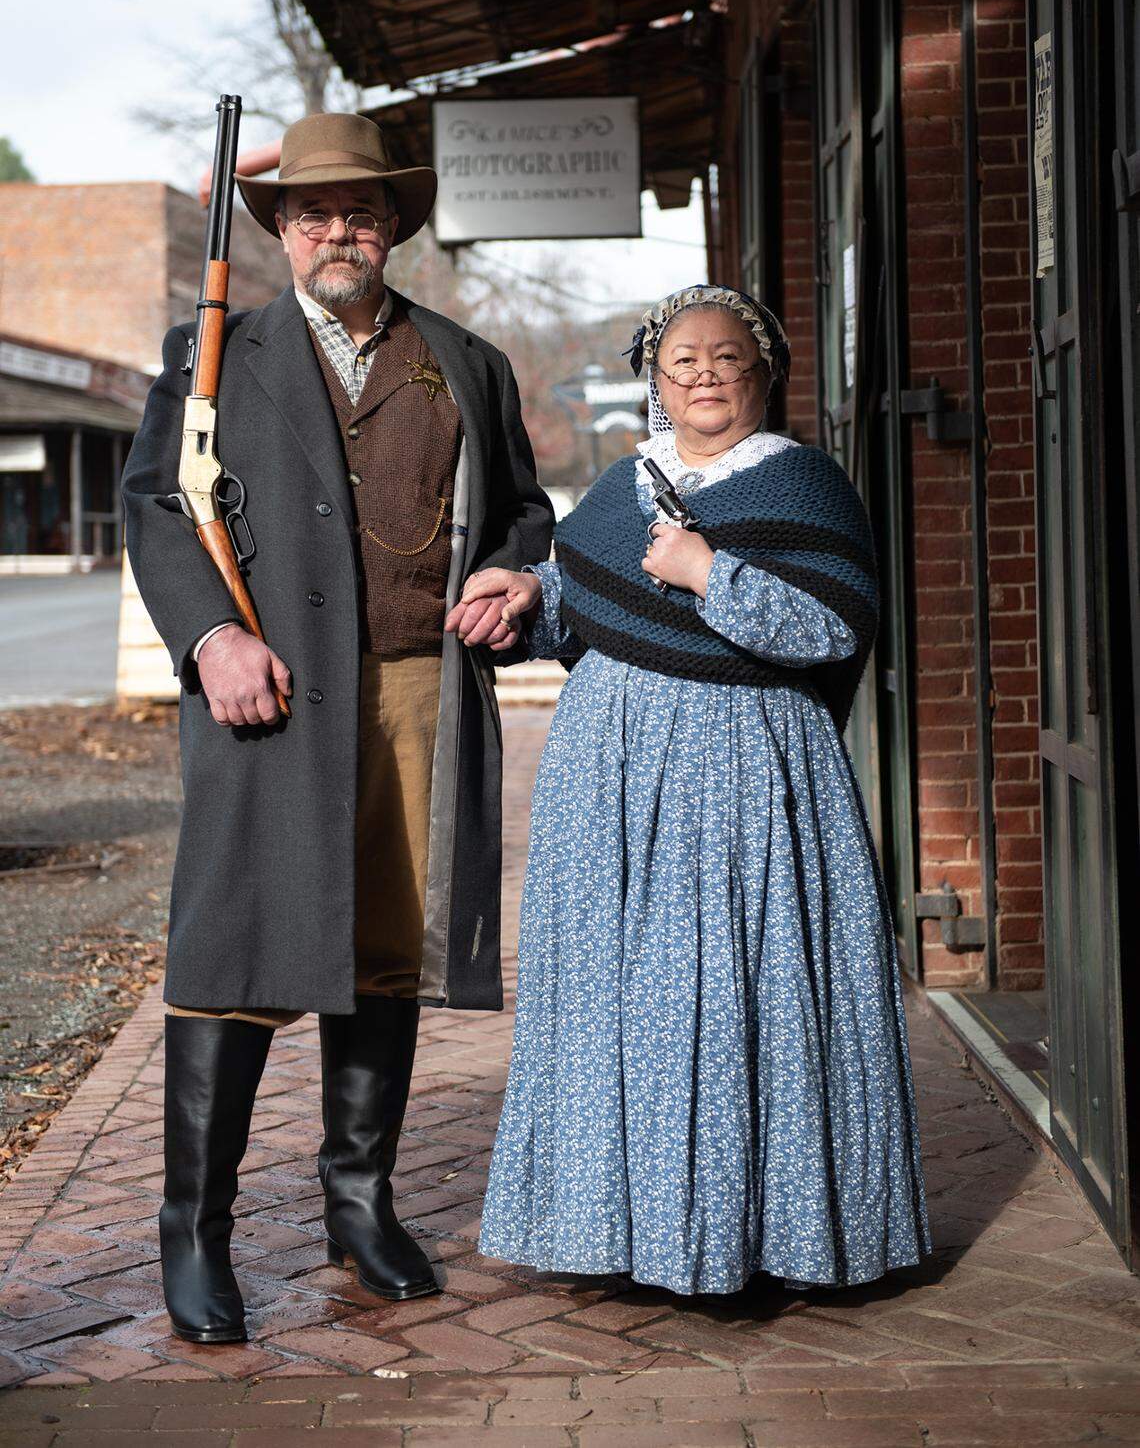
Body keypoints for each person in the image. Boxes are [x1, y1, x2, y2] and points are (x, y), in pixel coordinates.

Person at [122, 111, 552, 1344]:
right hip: (268, 696)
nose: (337, 231)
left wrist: (519, 576)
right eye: (313, 213)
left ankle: (358, 1205)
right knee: (233, 956)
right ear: (282, 232)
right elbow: (158, 505)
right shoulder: (213, 354)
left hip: (419, 689)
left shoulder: (467, 360)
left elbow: (525, 509)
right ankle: (192, 1235)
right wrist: (213, 638)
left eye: (359, 211)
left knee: (384, 949)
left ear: (393, 224)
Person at [454, 283, 931, 1296]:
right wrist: (528, 595)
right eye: (682, 363)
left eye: (725, 358)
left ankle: (763, 1234)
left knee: (743, 989)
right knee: (620, 995)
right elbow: (577, 610)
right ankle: (625, 1230)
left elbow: (831, 630)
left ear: (765, 374)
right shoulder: (625, 488)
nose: (704, 374)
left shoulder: (805, 485)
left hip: (746, 771)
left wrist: (710, 570)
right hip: (609, 779)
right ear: (655, 383)